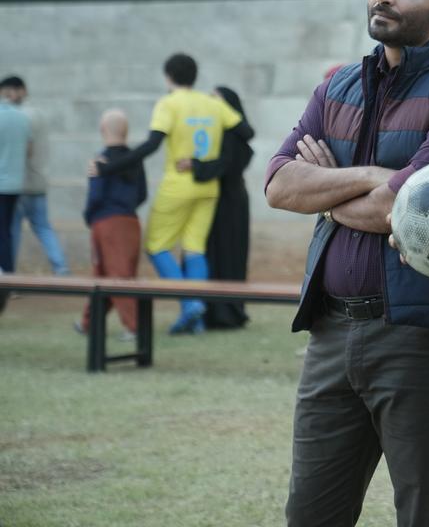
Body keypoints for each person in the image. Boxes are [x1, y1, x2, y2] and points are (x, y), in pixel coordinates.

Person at [265, 0, 429, 527]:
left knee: (427, 511)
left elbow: (409, 210)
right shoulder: (339, 83)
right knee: (310, 513)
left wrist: (335, 186)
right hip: (329, 332)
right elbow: (279, 185)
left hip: (417, 335)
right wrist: (379, 176)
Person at [92, 53, 253, 335]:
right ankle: (197, 321)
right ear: (194, 75)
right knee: (194, 248)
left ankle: (190, 303)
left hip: (178, 186)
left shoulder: (169, 103)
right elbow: (246, 130)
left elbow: (152, 145)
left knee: (156, 246)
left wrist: (109, 168)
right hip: (208, 189)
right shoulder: (211, 103)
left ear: (168, 77)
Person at [176, 86, 253, 329]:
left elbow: (226, 165)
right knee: (208, 253)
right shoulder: (216, 131)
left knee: (228, 256)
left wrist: (195, 165)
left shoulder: (232, 134)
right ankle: (208, 310)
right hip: (213, 200)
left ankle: (225, 312)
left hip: (228, 203)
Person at [77, 109, 147, 340]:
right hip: (131, 221)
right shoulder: (135, 160)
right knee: (106, 273)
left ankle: (134, 328)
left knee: (117, 276)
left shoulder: (100, 159)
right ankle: (88, 322)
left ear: (103, 129)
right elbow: (142, 194)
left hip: (106, 223)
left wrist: (89, 216)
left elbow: (95, 195)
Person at [2, 77, 69, 276]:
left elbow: (23, 151)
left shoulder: (19, 116)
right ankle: (61, 268)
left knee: (10, 232)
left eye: (8, 93)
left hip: (20, 183)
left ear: (21, 91)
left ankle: (8, 274)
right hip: (39, 181)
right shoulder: (38, 114)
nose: (6, 98)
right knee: (43, 227)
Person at [0, 80, 32, 315]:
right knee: (7, 231)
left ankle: (6, 280)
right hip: (15, 182)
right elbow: (28, 150)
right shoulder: (22, 118)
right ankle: (9, 277)